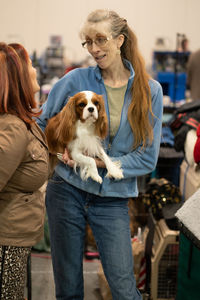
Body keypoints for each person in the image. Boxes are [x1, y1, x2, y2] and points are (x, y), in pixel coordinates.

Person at [37, 9, 163, 300]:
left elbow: (146, 158)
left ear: (120, 40)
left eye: (100, 40)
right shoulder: (74, 81)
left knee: (123, 288)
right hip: (66, 191)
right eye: (87, 42)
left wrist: (96, 162)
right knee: (68, 289)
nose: (94, 49)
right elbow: (42, 125)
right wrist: (60, 150)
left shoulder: (150, 91)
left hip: (113, 199)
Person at [0, 42, 49, 300]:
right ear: (18, 77)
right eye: (30, 65)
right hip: (6, 240)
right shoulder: (13, 128)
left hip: (15, 237)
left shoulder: (23, 121)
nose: (35, 69)